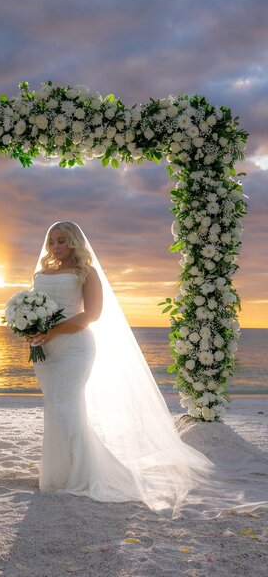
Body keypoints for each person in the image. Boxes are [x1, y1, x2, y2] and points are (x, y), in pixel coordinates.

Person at [25, 221, 268, 519]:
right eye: (52, 241)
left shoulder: (86, 272)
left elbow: (93, 314)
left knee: (65, 406)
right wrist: (32, 329)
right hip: (46, 351)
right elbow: (37, 308)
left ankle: (81, 474)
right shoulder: (41, 273)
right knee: (55, 406)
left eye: (61, 241)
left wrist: (53, 331)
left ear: (74, 242)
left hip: (75, 347)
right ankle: (56, 474)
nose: (55, 246)